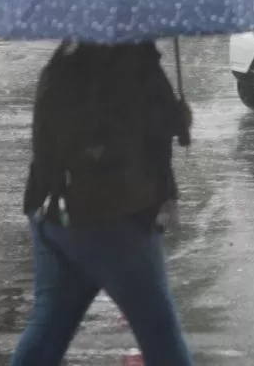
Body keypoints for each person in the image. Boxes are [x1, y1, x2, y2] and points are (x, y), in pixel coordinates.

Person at [11, 42, 194, 366]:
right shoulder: (132, 61)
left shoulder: (65, 58)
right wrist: (179, 118)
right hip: (113, 218)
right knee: (160, 333)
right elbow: (146, 130)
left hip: (53, 212)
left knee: (48, 330)